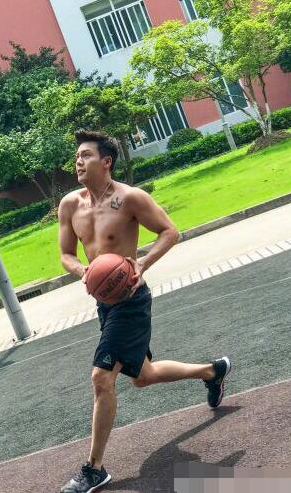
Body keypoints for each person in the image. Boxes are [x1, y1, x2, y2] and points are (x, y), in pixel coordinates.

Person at [58, 130, 231, 493]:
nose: (78, 161)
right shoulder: (70, 205)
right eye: (76, 156)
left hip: (132, 301)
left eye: (86, 155)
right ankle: (213, 371)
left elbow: (169, 231)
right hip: (104, 304)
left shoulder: (130, 198)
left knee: (101, 378)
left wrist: (141, 263)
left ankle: (94, 469)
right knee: (144, 376)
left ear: (106, 162)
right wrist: (83, 271)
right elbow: (66, 254)